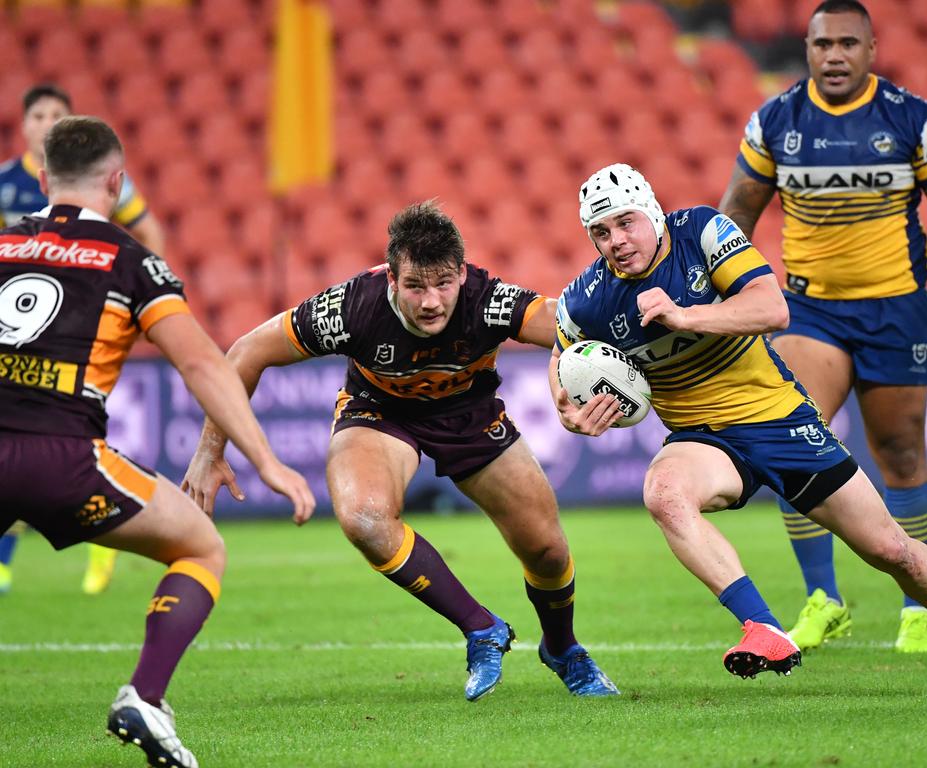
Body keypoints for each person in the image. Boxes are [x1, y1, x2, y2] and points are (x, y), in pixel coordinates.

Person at [551, 162, 927, 699]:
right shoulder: (587, 298)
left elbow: (772, 308)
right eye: (600, 232)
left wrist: (687, 315)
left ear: (651, 211)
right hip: (704, 438)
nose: (616, 240)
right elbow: (563, 357)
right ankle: (762, 626)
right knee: (664, 492)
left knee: (893, 552)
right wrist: (566, 407)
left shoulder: (701, 232)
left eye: (625, 222)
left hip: (780, 419)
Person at [183, 201, 619, 701]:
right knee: (364, 518)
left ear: (461, 273)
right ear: (391, 278)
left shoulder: (491, 301)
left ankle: (562, 650)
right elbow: (244, 353)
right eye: (415, 286)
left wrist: (566, 388)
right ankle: (482, 629)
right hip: (379, 413)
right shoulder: (350, 307)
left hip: (471, 416)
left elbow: (569, 330)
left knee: (546, 549)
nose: (430, 300)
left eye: (442, 284)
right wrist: (209, 451)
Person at [0, 116, 316, 768]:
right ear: (117, 182)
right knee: (200, 545)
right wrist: (266, 460)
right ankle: (144, 697)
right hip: (62, 458)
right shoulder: (131, 262)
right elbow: (202, 364)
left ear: (41, 178)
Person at [717, 0, 927, 653]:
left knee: (899, 453)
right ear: (807, 50)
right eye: (821, 44)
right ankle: (823, 599)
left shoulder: (911, 119)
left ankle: (919, 606)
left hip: (897, 308)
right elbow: (734, 219)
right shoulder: (776, 121)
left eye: (846, 43)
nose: (833, 55)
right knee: (796, 440)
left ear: (871, 49)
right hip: (812, 309)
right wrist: (731, 305)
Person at [0, 83, 169, 596]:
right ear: (24, 124)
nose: (47, 121)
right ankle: (13, 558)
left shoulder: (102, 181)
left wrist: (150, 297)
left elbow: (148, 232)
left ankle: (100, 530)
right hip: (20, 329)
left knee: (56, 433)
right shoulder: (5, 183)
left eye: (58, 114)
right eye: (39, 114)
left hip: (81, 330)